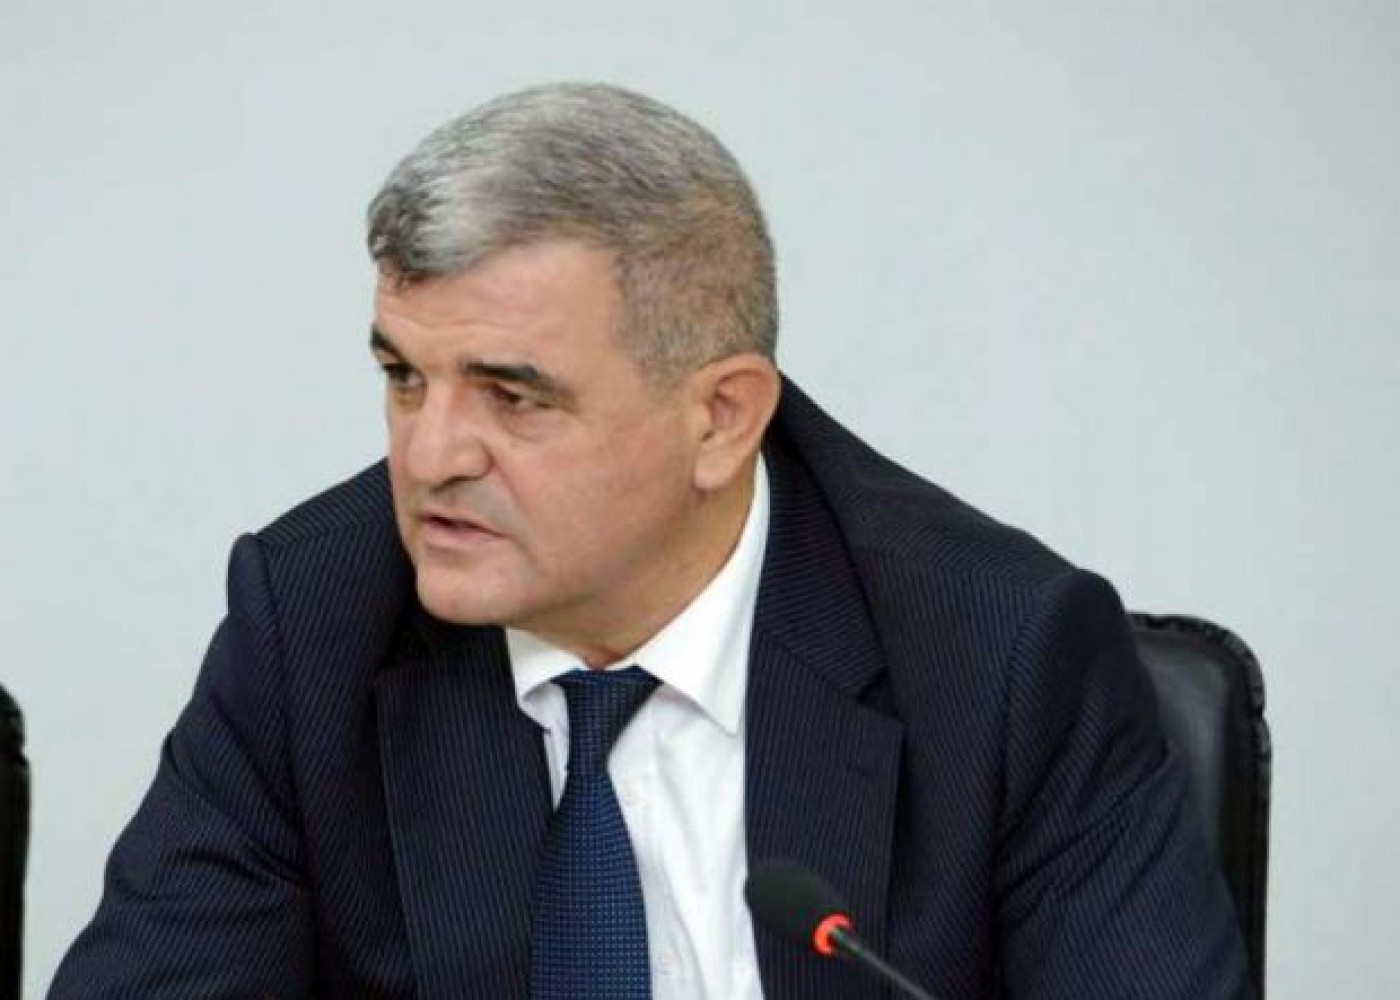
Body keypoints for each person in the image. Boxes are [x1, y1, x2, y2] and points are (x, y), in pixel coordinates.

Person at [50, 83, 1249, 999]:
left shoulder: (999, 656)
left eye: (511, 395)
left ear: (718, 417)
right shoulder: (315, 619)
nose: (429, 455)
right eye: (404, 377)